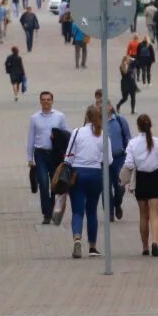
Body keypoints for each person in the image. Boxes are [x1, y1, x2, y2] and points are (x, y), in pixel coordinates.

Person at [121, 115, 158, 257]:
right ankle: (155, 242)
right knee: (154, 214)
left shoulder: (132, 143)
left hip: (141, 179)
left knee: (143, 215)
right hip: (155, 179)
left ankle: (144, 247)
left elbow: (129, 163)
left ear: (138, 127)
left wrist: (126, 178)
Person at [64, 106, 105, 259]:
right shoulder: (103, 135)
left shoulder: (77, 132)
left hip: (77, 174)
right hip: (95, 174)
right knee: (92, 210)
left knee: (77, 210)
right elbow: (109, 160)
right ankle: (93, 247)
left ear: (86, 117)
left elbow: (68, 155)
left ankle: (77, 238)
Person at [27, 91, 70, 224]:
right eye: (43, 100)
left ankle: (54, 211)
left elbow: (67, 134)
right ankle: (46, 214)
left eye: (48, 99)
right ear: (40, 101)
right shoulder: (34, 118)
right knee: (44, 184)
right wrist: (30, 158)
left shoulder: (59, 116)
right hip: (40, 153)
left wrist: (67, 155)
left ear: (52, 101)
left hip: (55, 154)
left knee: (55, 184)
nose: (46, 102)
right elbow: (31, 138)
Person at [102, 97, 132, 221]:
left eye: (105, 105)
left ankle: (117, 203)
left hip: (119, 158)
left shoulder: (120, 120)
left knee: (120, 186)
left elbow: (128, 138)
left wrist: (129, 156)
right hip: (103, 161)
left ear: (110, 107)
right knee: (106, 187)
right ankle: (109, 213)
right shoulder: (97, 122)